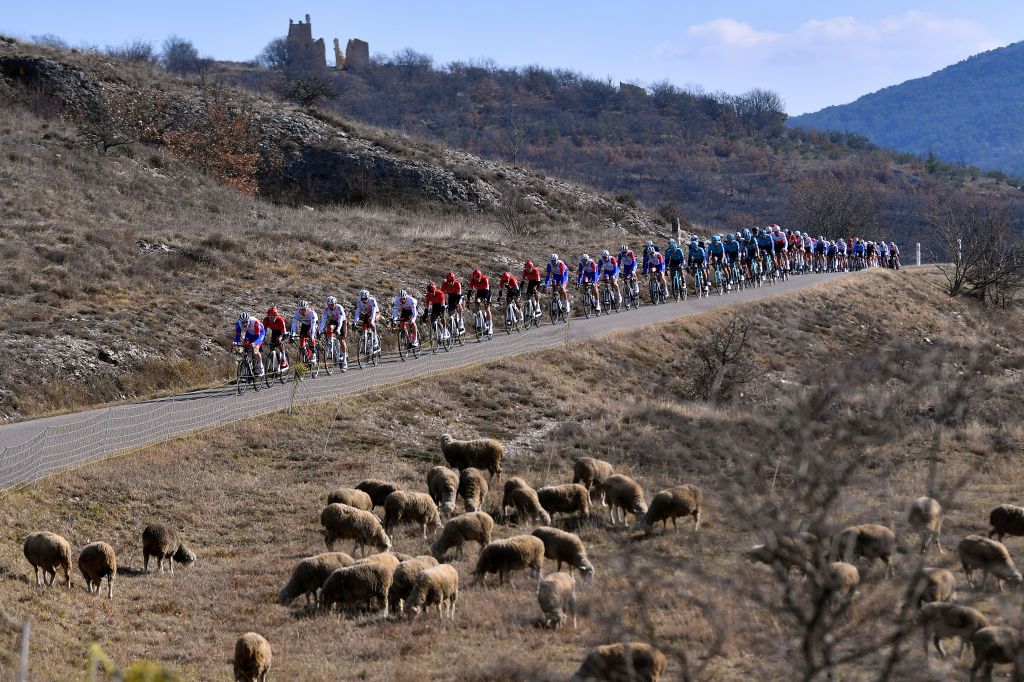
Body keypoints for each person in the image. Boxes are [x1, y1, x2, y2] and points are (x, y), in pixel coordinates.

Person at [318, 296, 348, 370]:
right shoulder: (326, 309)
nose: (330, 306)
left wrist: (338, 329)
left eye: (332, 305)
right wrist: (320, 329)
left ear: (335, 304)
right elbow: (324, 320)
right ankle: (330, 342)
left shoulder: (339, 308)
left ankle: (344, 360)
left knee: (342, 340)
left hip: (342, 322)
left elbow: (340, 320)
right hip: (333, 321)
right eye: (329, 305)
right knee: (329, 327)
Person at [233, 311, 266, 375]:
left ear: (249, 320)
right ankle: (247, 365)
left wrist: (254, 343)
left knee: (255, 350)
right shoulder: (238, 324)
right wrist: (235, 342)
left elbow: (258, 337)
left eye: (246, 322)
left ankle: (260, 367)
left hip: (260, 333)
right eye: (242, 323)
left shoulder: (255, 322)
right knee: (245, 347)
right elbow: (237, 337)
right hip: (249, 333)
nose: (244, 324)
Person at [262, 306, 288, 370]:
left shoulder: (280, 320)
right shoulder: (265, 320)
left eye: (273, 317)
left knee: (279, 341)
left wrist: (281, 338)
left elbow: (284, 333)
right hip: (274, 331)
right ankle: (276, 361)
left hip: (281, 332)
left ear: (276, 316)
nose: (271, 319)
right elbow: (263, 331)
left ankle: (284, 359)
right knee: (272, 346)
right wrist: (262, 339)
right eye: (270, 317)